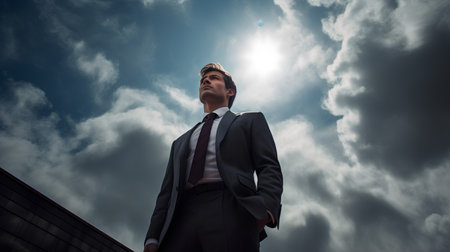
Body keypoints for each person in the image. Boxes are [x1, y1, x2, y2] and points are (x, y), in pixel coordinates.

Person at [144, 63, 283, 252]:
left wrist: (265, 210)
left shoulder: (250, 121)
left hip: (231, 207)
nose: (206, 81)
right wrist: (152, 237)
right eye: (203, 80)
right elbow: (166, 193)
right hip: (181, 216)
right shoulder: (179, 142)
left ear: (230, 91)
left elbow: (268, 166)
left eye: (214, 78)